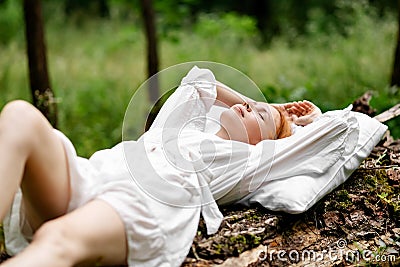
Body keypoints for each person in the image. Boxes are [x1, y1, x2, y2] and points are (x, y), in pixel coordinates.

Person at [0, 66, 323, 267]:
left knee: (57, 237)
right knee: (19, 116)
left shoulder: (247, 160)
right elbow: (197, 82)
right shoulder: (183, 128)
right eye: (248, 103)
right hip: (96, 176)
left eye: (258, 115)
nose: (245, 106)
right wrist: (273, 107)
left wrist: (302, 119)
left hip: (149, 200)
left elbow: (330, 136)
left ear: (265, 144)